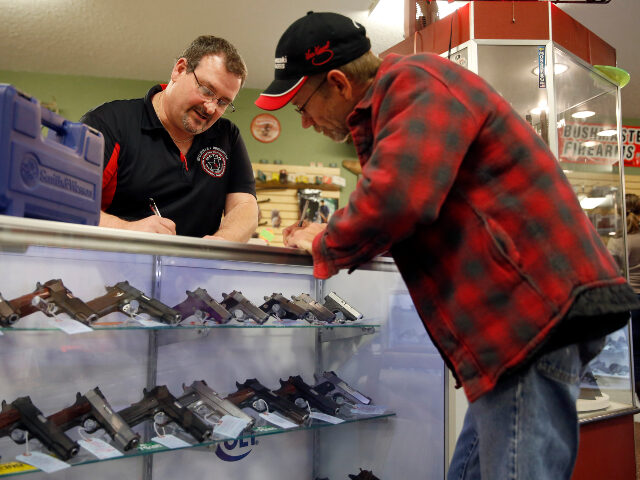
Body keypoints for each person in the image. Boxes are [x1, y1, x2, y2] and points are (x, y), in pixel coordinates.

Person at [255, 11, 639, 480]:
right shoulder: (407, 93)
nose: (307, 122)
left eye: (303, 106)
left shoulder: (414, 81)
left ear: (337, 82)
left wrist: (325, 242)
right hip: (516, 328)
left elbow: (398, 196)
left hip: (530, 321)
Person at [81, 35, 258, 241]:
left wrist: (222, 241)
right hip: (113, 268)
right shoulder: (109, 123)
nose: (211, 108)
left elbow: (244, 206)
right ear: (180, 70)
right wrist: (126, 230)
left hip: (196, 270)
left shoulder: (227, 135)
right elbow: (66, 205)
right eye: (207, 90)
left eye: (223, 102)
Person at [608, 193, 640, 395]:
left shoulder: (618, 242)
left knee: (632, 351)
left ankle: (635, 400)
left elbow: (610, 272)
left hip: (631, 300)